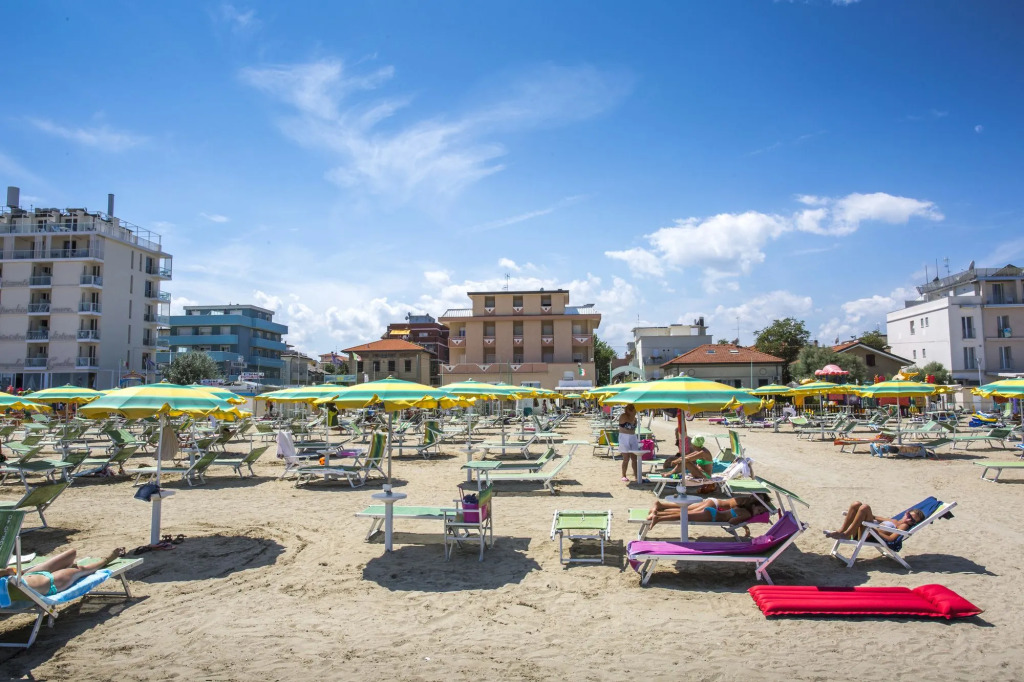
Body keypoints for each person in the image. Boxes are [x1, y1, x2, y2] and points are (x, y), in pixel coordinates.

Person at [2, 547, 125, 596]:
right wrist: (9, 571)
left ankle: (66, 567)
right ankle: (107, 559)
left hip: (29, 576)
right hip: (50, 583)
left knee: (71, 553)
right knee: (81, 570)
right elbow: (9, 571)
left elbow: (10, 572)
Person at [646, 496, 768, 530]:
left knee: (686, 512)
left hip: (713, 508)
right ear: (754, 504)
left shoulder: (743, 504)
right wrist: (743, 521)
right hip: (713, 512)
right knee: (685, 514)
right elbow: (731, 521)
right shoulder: (746, 511)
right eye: (759, 510)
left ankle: (659, 511)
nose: (759, 513)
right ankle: (659, 517)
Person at [824, 502, 926, 541]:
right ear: (906, 513)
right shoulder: (894, 520)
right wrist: (853, 513)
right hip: (865, 529)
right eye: (909, 516)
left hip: (867, 534)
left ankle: (846, 535)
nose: (909, 520)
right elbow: (874, 517)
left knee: (865, 507)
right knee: (856, 504)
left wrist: (874, 531)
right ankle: (841, 531)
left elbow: (891, 539)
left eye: (912, 521)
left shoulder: (903, 526)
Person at [618, 404, 640, 482]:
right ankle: (623, 475)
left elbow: (633, 428)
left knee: (634, 458)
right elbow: (628, 422)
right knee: (626, 458)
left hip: (633, 437)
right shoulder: (623, 416)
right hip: (624, 437)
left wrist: (634, 416)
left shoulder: (635, 419)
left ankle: (636, 475)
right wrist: (632, 415)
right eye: (632, 409)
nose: (634, 411)